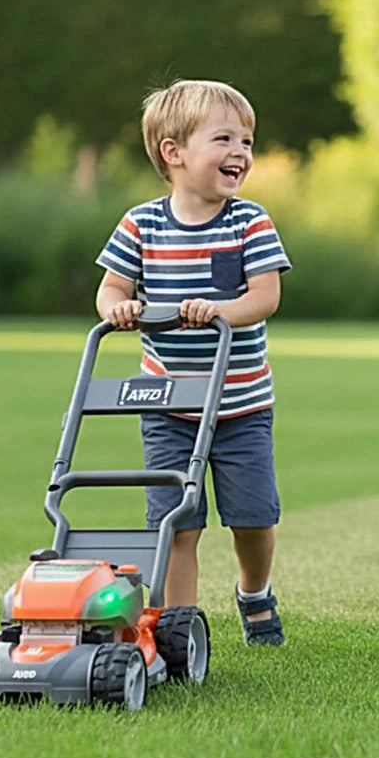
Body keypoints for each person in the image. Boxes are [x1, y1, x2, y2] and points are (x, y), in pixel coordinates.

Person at [96, 78, 290, 643]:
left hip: (241, 408)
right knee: (176, 523)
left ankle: (254, 593)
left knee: (253, 519)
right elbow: (108, 290)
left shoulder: (248, 222)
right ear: (173, 153)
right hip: (166, 406)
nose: (241, 153)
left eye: (247, 142)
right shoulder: (142, 225)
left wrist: (222, 309)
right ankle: (179, 626)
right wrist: (121, 309)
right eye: (225, 139)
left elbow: (265, 297)